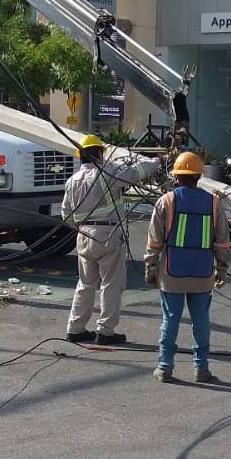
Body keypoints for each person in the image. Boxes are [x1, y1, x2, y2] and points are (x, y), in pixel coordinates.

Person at [62, 133, 162, 345]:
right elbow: (136, 173)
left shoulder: (71, 181)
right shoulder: (107, 173)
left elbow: (66, 216)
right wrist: (157, 162)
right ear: (98, 153)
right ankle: (105, 331)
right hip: (107, 235)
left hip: (83, 236)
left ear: (80, 155)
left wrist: (84, 227)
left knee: (85, 283)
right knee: (111, 283)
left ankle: (75, 328)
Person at [143, 151, 231, 383]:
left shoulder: (167, 201)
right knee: (201, 320)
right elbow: (222, 241)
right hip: (203, 274)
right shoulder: (213, 203)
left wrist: (150, 267)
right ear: (199, 176)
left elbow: (154, 241)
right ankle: (201, 369)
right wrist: (222, 269)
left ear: (176, 176)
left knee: (170, 319)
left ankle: (164, 367)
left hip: (172, 273)